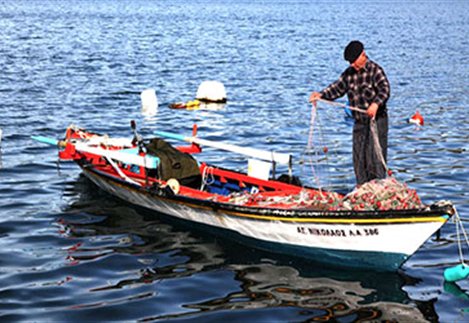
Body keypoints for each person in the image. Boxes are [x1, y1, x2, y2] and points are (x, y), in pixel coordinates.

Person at [309, 40, 390, 185]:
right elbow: (337, 88)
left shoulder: (375, 70)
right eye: (349, 62)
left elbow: (385, 89)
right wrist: (320, 95)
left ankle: (377, 191)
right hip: (359, 122)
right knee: (359, 159)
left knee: (374, 159)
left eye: (353, 61)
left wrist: (375, 104)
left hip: (377, 121)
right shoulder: (349, 73)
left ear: (362, 55)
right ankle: (362, 190)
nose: (351, 65)